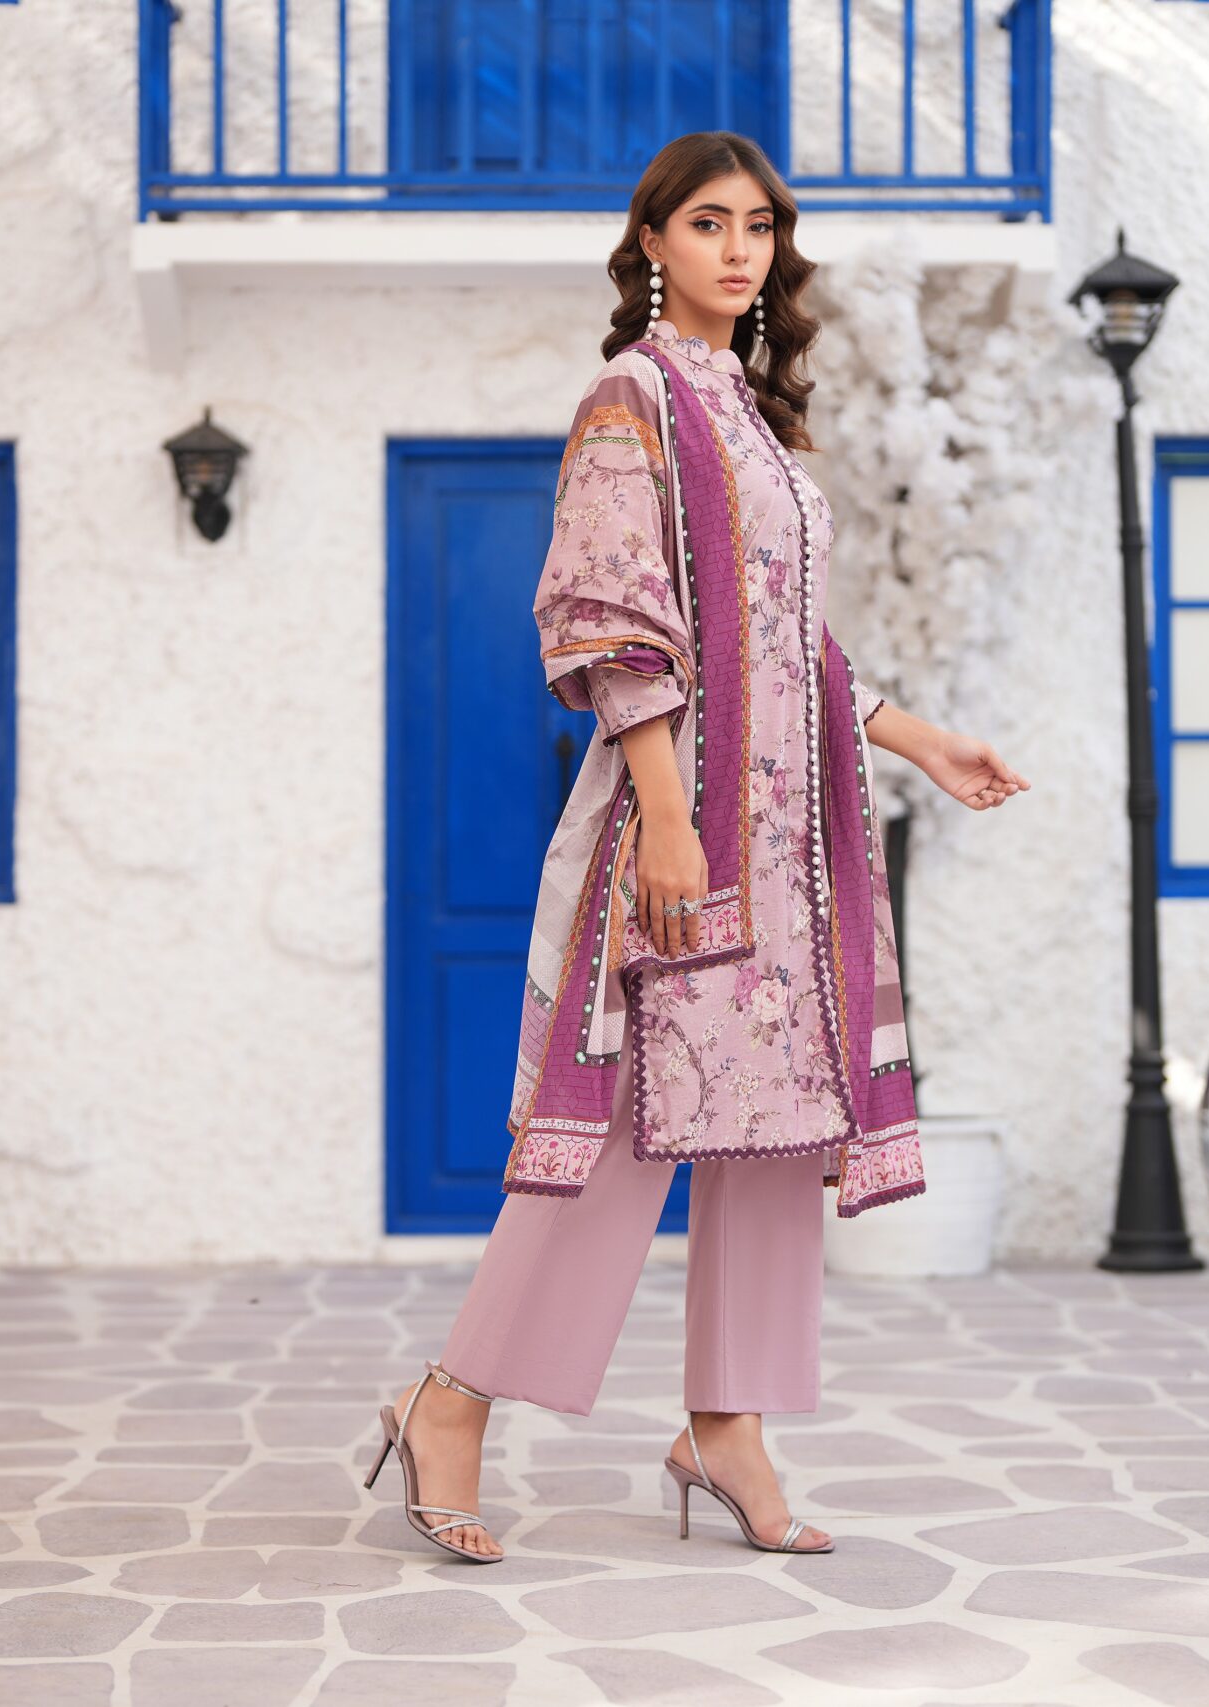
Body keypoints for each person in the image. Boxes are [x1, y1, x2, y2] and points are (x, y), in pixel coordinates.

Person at [365, 132, 1032, 1564]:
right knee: (619, 1126)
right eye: (710, 223)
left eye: (761, 227)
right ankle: (451, 1401)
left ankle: (729, 1424)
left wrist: (923, 741)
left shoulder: (756, 420)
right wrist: (666, 820)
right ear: (654, 244)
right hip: (686, 826)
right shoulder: (635, 401)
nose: (741, 250)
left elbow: (794, 651)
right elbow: (614, 621)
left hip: (798, 847)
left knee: (778, 1127)